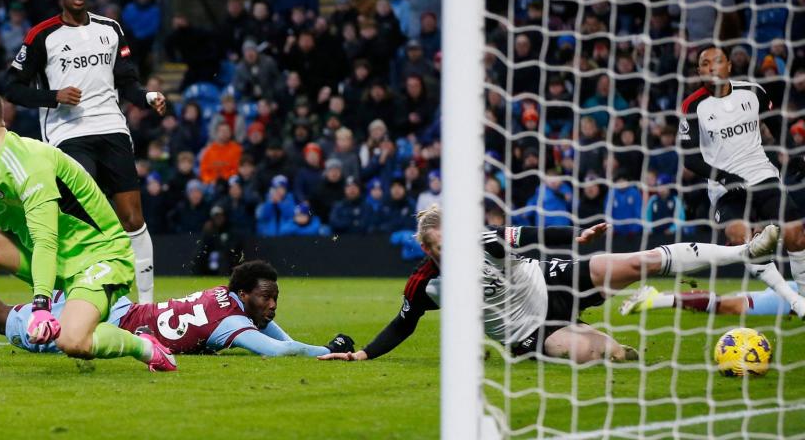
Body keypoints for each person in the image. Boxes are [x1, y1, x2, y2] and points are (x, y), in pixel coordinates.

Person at [0, 87, 175, 373]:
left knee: (73, 341)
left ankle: (144, 345)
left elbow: (46, 239)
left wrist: (41, 308)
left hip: (99, 257)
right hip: (56, 259)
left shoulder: (29, 162)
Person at [319, 204, 780, 363]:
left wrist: (573, 237)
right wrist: (362, 354)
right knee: (609, 355)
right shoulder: (426, 285)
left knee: (635, 262)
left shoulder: (484, 242)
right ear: (428, 252)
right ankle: (614, 340)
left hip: (550, 279)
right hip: (528, 333)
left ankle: (745, 252)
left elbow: (527, 235)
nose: (448, 253)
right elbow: (403, 324)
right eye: (438, 250)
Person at [4, 0, 166, 304]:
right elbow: (11, 87)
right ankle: (76, 295)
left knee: (133, 218)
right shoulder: (41, 36)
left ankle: (148, 305)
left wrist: (147, 97)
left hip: (112, 130)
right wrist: (53, 97)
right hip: (68, 135)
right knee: (80, 214)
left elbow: (127, 82)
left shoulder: (110, 30)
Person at [0, 247, 353, 358]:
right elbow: (274, 349)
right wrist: (325, 354)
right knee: (4, 321)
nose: (272, 307)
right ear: (246, 295)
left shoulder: (225, 299)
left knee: (12, 307)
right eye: (268, 298)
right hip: (109, 319)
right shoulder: (230, 323)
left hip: (117, 304)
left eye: (275, 299)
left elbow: (272, 331)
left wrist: (321, 350)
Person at [679, 46, 805, 314]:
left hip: (762, 175)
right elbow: (689, 159)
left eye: (717, 61)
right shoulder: (693, 106)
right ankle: (795, 301)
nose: (711, 67)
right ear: (699, 72)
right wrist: (724, 176)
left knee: (796, 233)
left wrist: (794, 157)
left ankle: (802, 296)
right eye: (704, 64)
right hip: (726, 188)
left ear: (729, 67)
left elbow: (777, 124)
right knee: (740, 240)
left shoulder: (752, 91)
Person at [621, 282, 805, 318]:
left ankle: (658, 296)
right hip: (796, 296)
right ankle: (656, 300)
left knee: (725, 303)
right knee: (727, 306)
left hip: (794, 288)